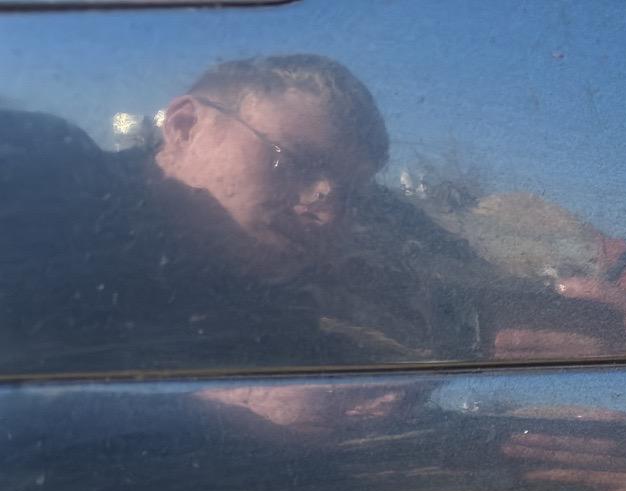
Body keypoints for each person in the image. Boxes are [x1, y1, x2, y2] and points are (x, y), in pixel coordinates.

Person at [0, 55, 389, 374]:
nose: (329, 214)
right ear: (184, 127)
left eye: (351, 196)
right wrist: (222, 410)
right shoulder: (40, 175)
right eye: (296, 162)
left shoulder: (292, 306)